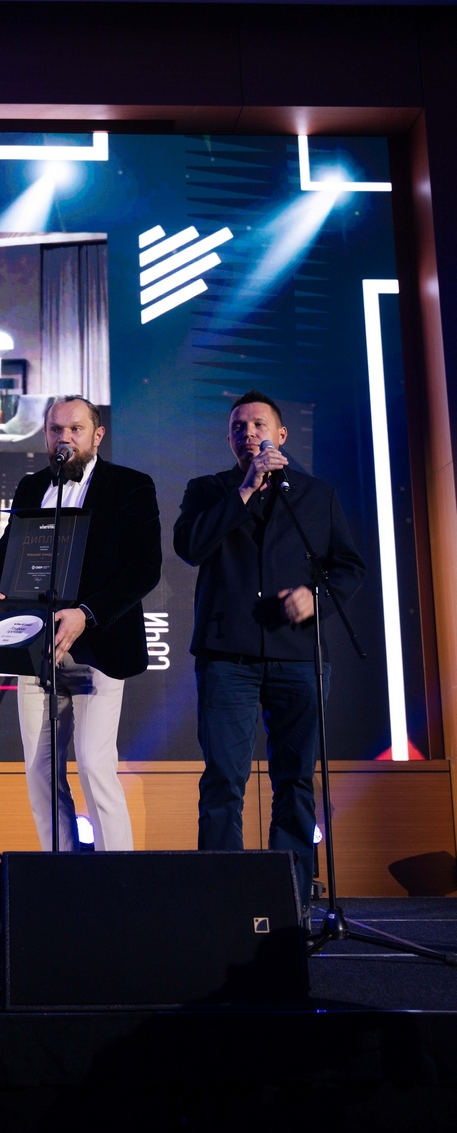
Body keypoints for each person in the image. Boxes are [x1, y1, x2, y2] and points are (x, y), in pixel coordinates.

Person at [173, 389, 365, 919]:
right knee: (224, 779)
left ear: (280, 435)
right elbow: (190, 546)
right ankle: (221, 904)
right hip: (226, 656)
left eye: (258, 425)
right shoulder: (209, 490)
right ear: (230, 440)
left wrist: (316, 598)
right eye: (238, 427)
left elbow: (347, 566)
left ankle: (293, 900)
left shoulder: (316, 495)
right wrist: (245, 489)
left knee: (295, 778)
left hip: (298, 656)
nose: (248, 433)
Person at [0, 396, 162, 852]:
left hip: (100, 647)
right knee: (40, 772)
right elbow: (7, 549)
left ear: (97, 435)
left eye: (75, 429)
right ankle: (57, 873)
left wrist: (87, 614)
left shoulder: (130, 485)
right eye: (55, 430)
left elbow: (145, 569)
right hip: (37, 649)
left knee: (95, 765)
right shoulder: (31, 486)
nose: (64, 438)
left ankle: (117, 877)